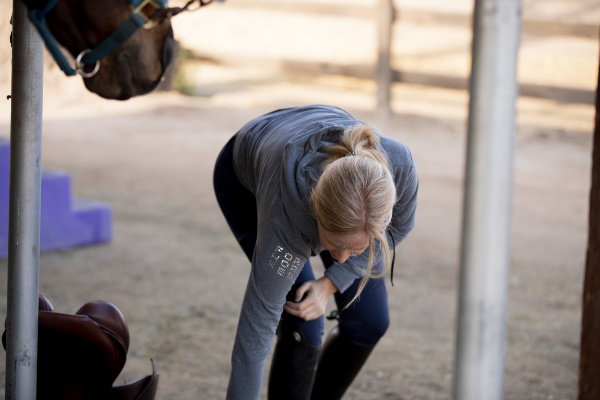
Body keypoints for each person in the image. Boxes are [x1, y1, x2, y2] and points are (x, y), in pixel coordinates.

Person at [213, 104, 418, 400]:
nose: (342, 258)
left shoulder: (400, 169)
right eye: (333, 246)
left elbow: (399, 227)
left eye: (358, 247)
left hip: (318, 158)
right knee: (302, 318)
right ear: (316, 216)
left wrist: (329, 283)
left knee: (369, 322)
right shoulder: (285, 219)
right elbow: (254, 334)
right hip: (246, 179)